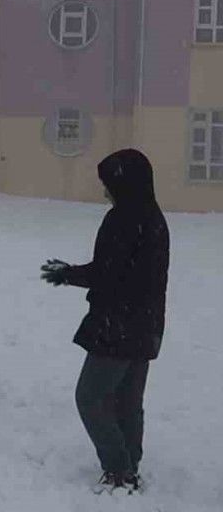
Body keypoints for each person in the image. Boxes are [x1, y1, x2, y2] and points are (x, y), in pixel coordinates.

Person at [40, 149, 169, 495]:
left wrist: (69, 274)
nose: (105, 191)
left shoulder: (122, 219)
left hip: (118, 325)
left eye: (108, 183)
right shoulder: (153, 217)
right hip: (146, 325)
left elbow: (108, 273)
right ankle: (129, 467)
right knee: (128, 401)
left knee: (91, 397)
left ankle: (118, 469)